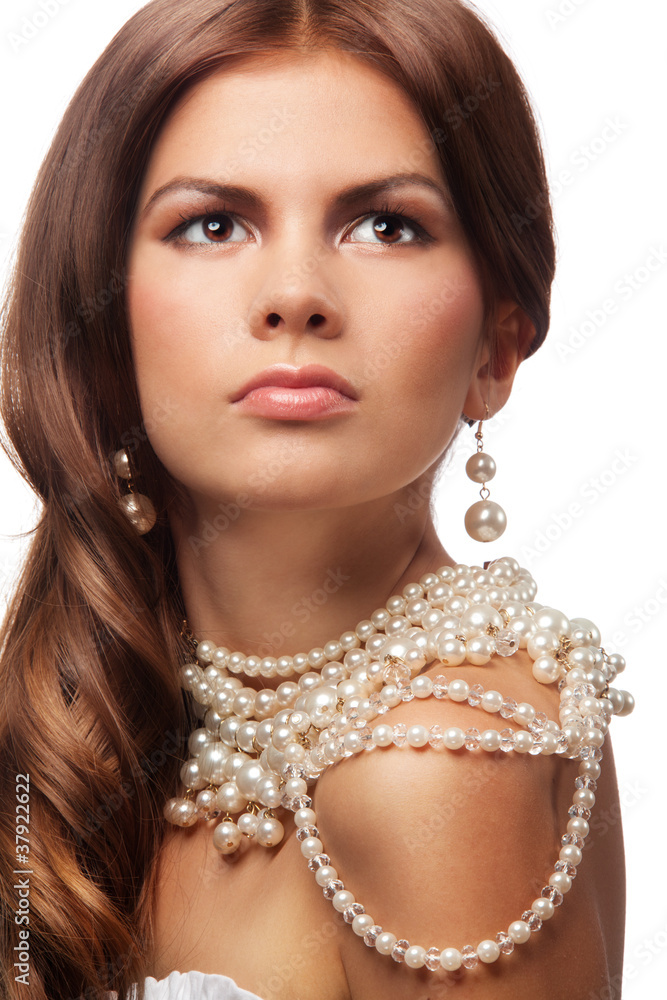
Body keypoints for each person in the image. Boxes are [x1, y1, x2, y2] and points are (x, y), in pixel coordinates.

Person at [0, 1, 634, 998]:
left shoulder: (439, 757)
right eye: (214, 224)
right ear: (106, 329)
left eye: (387, 225)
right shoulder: (94, 712)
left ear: (497, 348)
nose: (294, 292)